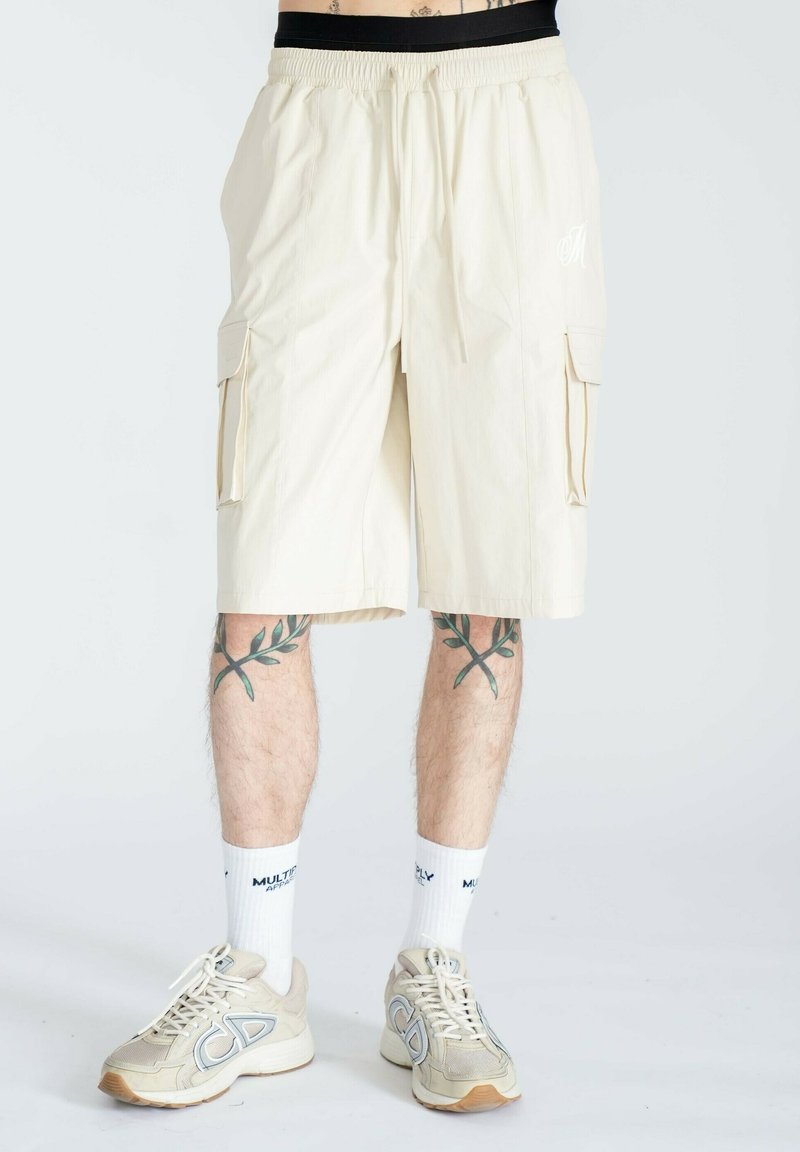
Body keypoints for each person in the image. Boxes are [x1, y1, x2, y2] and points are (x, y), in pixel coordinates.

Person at [98, 0, 605, 1113]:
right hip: (322, 98)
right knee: (264, 570)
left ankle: (432, 966)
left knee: (489, 577)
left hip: (507, 94)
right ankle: (259, 976)